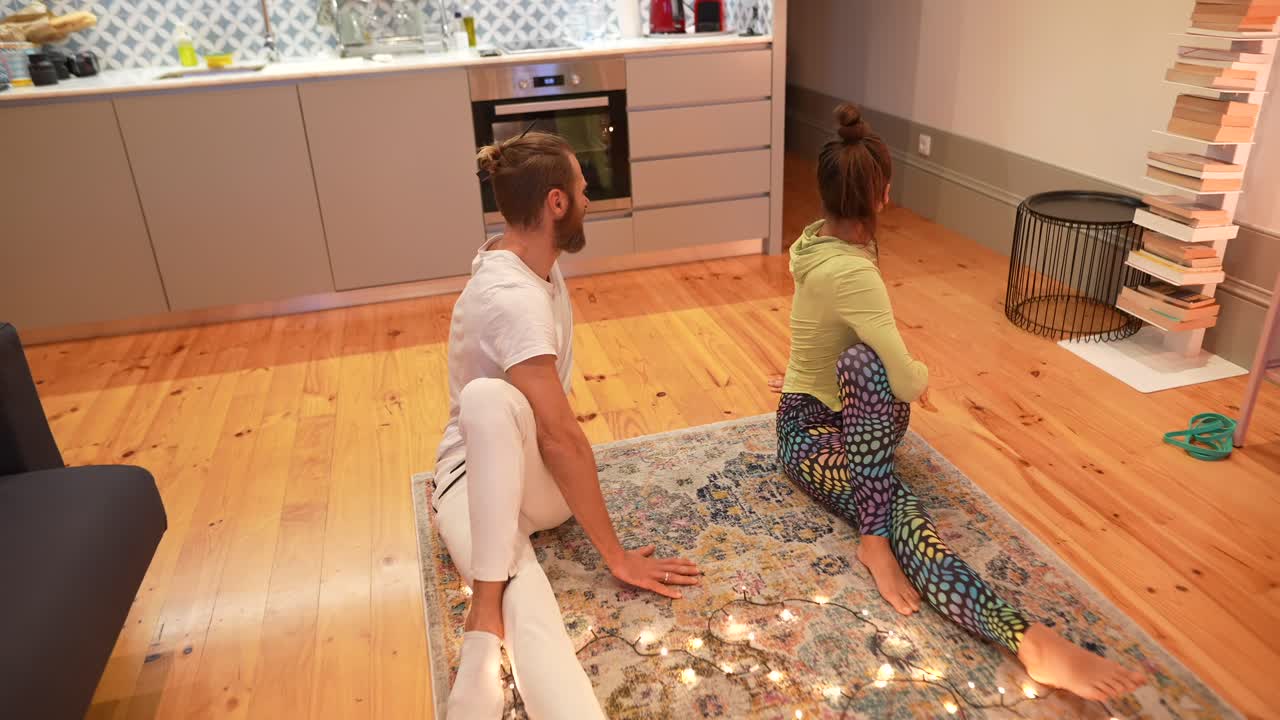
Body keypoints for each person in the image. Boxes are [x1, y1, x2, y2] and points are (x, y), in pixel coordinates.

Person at [773, 104, 1147, 702]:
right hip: (818, 437)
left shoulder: (811, 244)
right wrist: (922, 374)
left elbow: (821, 333)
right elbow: (905, 381)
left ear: (824, 195)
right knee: (894, 492)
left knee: (858, 368)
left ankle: (885, 533)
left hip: (812, 426)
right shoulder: (854, 271)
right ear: (883, 195)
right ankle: (1024, 639)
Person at [432, 130, 701, 720]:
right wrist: (618, 556)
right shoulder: (512, 296)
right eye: (581, 190)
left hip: (533, 486)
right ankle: (487, 639)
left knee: (488, 399)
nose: (588, 199)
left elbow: (552, 437)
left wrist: (611, 546)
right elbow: (558, 434)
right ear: (555, 204)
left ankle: (484, 607)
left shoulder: (533, 266)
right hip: (468, 481)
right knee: (522, 590)